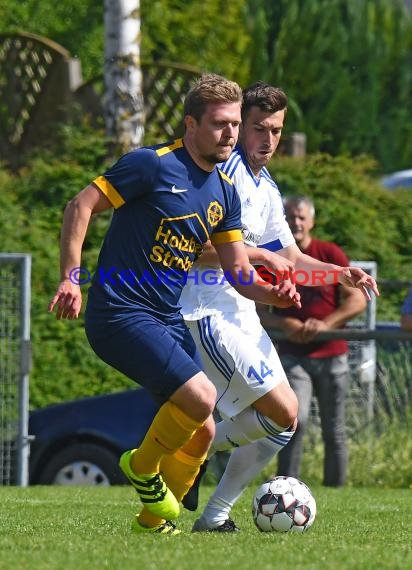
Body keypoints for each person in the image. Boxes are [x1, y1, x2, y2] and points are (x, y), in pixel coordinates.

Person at [47, 73, 303, 536]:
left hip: (165, 318)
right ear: (190, 124)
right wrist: (71, 278)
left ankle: (152, 525)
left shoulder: (224, 193)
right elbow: (79, 205)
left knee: (202, 431)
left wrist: (274, 293)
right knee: (203, 397)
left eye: (234, 124)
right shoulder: (150, 165)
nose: (230, 134)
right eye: (220, 124)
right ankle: (141, 468)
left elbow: (240, 273)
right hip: (120, 311)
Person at [179, 83, 379, 532]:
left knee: (285, 424)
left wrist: (337, 274)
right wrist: (254, 255)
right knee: (280, 413)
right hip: (208, 311)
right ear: (238, 125)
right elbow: (192, 248)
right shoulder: (217, 173)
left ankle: (213, 516)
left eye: (276, 131)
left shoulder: (265, 185)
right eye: (258, 128)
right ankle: (191, 447)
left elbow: (290, 258)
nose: (267, 140)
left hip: (243, 315)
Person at [260, 195, 367, 487]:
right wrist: (287, 323)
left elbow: (357, 299)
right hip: (293, 355)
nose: (296, 222)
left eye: (301, 217)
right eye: (290, 216)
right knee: (296, 421)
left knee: (334, 429)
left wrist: (325, 324)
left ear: (312, 221)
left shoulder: (329, 253)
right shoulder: (272, 257)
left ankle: (338, 490)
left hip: (332, 354)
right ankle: (285, 487)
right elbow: (258, 309)